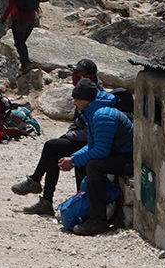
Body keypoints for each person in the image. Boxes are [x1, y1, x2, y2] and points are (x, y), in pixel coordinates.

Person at [11, 59, 105, 215]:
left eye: (79, 74)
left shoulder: (95, 96)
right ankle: (46, 201)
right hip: (79, 136)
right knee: (53, 154)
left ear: (89, 76)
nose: (75, 77)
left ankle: (35, 182)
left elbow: (91, 130)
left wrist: (70, 135)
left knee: (51, 146)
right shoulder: (85, 90)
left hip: (89, 141)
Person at [59, 78, 133, 236]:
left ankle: (98, 220)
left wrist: (72, 161)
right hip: (119, 155)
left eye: (76, 99)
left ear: (85, 100)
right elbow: (92, 145)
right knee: (84, 161)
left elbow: (101, 151)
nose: (74, 103)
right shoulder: (94, 112)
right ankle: (85, 208)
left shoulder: (102, 115)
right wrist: (73, 157)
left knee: (93, 165)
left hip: (129, 159)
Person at [2, 0, 39, 72]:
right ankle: (24, 61)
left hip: (19, 19)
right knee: (22, 42)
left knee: (19, 43)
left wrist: (3, 17)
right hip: (31, 19)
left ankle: (26, 64)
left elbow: (10, 4)